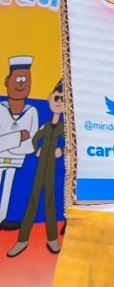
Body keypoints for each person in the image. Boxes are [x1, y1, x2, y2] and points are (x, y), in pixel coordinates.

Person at [8, 81, 64, 258]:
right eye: (57, 98)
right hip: (40, 167)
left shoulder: (64, 128)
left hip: (52, 169)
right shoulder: (45, 126)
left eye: (63, 100)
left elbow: (68, 143)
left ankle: (52, 239)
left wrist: (60, 150)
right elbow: (34, 139)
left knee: (50, 202)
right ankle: (22, 240)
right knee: (32, 201)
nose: (59, 102)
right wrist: (37, 149)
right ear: (49, 99)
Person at [0, 55, 38, 230]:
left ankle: (2, 217)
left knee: (8, 187)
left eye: (26, 80)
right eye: (18, 79)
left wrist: (14, 142)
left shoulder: (31, 112)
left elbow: (31, 141)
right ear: (8, 81)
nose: (21, 84)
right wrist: (16, 138)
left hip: (17, 158)